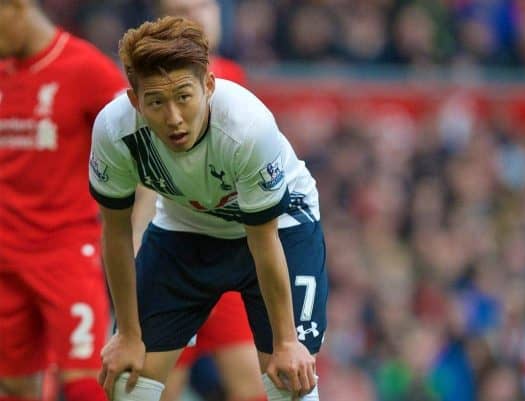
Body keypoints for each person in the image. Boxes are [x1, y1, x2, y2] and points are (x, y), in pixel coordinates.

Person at [89, 15, 327, 401]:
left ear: (209, 86)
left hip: (280, 228)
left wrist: (286, 342)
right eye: (155, 102)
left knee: (290, 378)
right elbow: (115, 232)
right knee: (127, 380)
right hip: (186, 229)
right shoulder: (115, 132)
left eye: (184, 96)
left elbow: (263, 240)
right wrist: (128, 334)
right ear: (134, 100)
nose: (174, 118)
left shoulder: (246, 127)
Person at [131, 1, 264, 400]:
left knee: (253, 383)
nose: (199, 17)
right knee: (161, 388)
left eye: (204, 6)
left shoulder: (233, 77)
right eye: (182, 9)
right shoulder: (152, 86)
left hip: (228, 256)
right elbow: (146, 181)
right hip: (174, 259)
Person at [0, 1, 127, 401]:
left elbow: (137, 148)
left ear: (16, 7)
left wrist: (132, 226)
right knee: (15, 386)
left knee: (85, 381)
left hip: (65, 251)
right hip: (5, 255)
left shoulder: (86, 69)